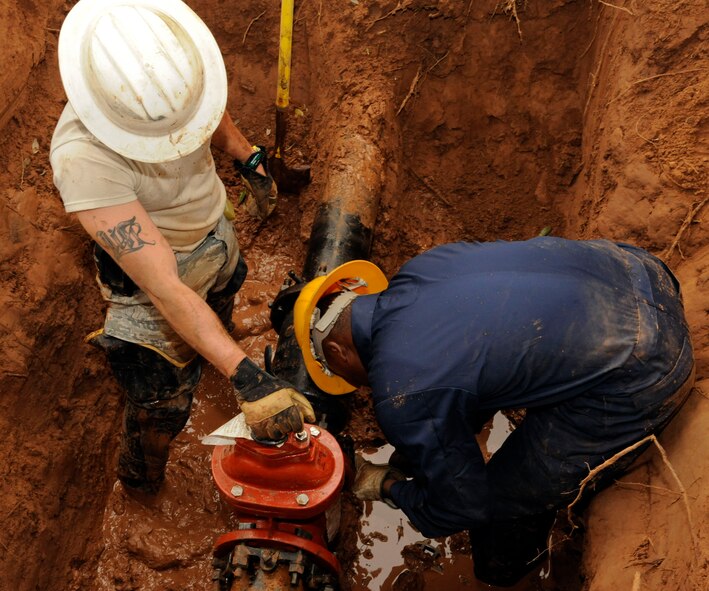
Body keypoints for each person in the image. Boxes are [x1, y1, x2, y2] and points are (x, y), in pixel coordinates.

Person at [291, 238, 695, 587]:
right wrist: (418, 451)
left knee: (504, 501)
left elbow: (464, 507)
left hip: (644, 366)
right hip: (642, 272)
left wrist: (387, 487)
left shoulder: (403, 392)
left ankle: (507, 570)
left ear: (337, 351)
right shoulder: (423, 268)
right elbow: (470, 367)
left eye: (332, 370)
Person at [49, 0, 314, 495]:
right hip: (157, 273)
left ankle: (215, 340)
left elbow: (202, 109)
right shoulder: (83, 158)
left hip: (214, 230)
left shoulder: (173, 52)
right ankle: (142, 478)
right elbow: (166, 287)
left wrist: (245, 153)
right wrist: (246, 376)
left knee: (228, 287)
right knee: (160, 401)